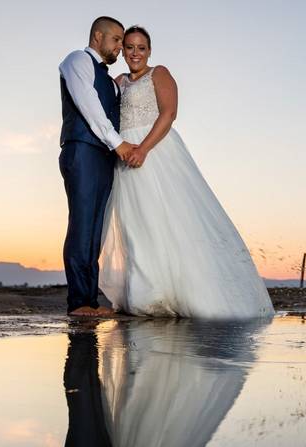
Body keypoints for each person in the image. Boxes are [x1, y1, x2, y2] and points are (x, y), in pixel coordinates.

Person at [98, 26, 274, 319]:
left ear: (150, 51)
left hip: (155, 152)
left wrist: (143, 149)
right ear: (123, 51)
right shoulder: (118, 81)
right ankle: (145, 295)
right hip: (125, 155)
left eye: (141, 48)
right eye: (129, 47)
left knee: (169, 219)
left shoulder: (160, 73)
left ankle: (188, 291)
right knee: (136, 224)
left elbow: (169, 113)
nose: (135, 53)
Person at [58, 16, 137, 317]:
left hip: (104, 157)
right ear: (97, 36)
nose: (121, 46)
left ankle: (90, 301)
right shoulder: (77, 60)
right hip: (83, 151)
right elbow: (88, 103)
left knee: (94, 229)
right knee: (81, 225)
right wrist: (117, 143)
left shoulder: (111, 82)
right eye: (116, 39)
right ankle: (79, 303)